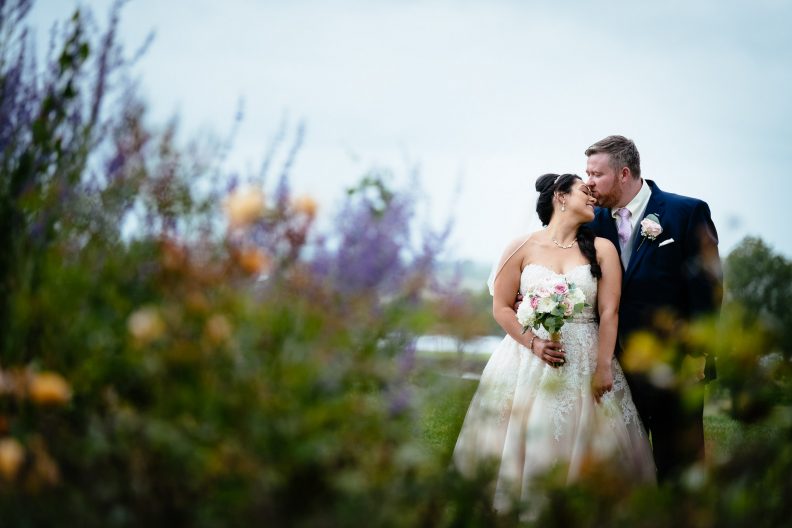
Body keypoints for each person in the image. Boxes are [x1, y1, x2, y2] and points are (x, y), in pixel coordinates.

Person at [453, 173, 655, 517]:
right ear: (560, 197)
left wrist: (604, 364)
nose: (592, 197)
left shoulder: (602, 249)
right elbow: (501, 307)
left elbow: (609, 312)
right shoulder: (521, 247)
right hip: (525, 358)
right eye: (584, 191)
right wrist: (533, 343)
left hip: (588, 356)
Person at [582, 135, 722, 482]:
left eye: (596, 174)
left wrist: (699, 353)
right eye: (587, 173)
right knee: (624, 468)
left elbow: (708, 289)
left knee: (679, 465)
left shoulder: (686, 212)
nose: (588, 182)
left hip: (674, 363)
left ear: (624, 173)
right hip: (614, 364)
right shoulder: (590, 221)